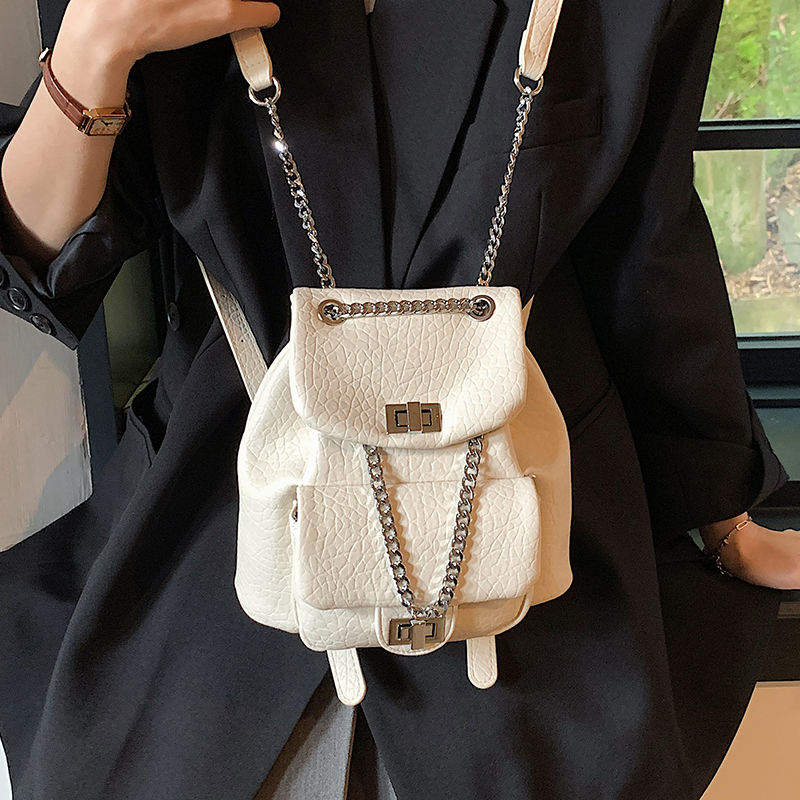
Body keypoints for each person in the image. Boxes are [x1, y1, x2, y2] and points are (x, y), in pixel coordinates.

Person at [1, 0, 798, 798]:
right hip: (226, 510)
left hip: (529, 527)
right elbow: (44, 264)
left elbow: (647, 238)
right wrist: (95, 43)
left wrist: (720, 508)